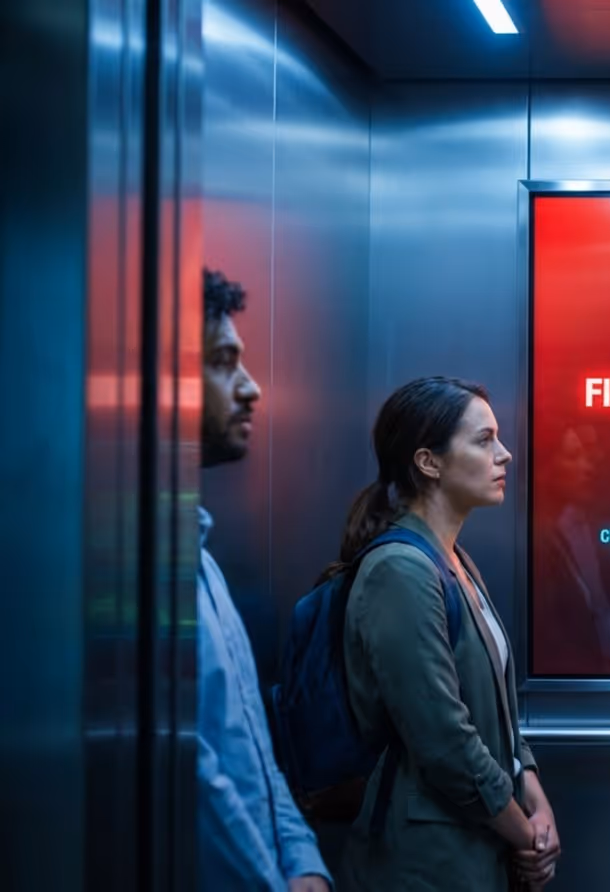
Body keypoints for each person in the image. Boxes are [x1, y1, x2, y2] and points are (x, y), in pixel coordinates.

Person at [337, 377, 560, 891]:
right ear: (429, 462)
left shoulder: (456, 563)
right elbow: (443, 740)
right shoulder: (401, 570)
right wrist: (525, 834)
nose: (504, 455)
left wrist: (538, 802)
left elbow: (497, 717)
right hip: (427, 862)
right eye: (484, 440)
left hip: (477, 847)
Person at [197, 268, 332, 891]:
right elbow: (193, 777)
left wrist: (304, 863)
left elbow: (254, 746)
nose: (250, 388)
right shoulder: (130, 576)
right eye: (224, 363)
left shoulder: (205, 568)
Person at [530, 416, 610, 674]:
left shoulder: (583, 528)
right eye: (574, 457)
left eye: (589, 456)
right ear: (543, 469)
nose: (588, 467)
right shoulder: (536, 544)